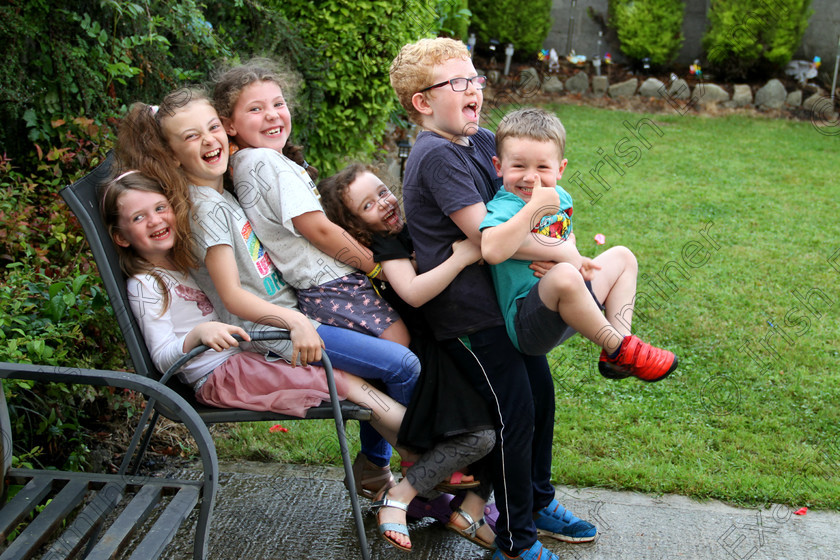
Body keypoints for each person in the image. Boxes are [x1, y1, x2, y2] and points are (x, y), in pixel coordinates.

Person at [116, 90, 420, 501]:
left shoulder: (218, 194)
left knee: (389, 352)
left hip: (290, 316)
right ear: (171, 156)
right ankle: (420, 468)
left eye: (212, 129)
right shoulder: (207, 211)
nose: (209, 141)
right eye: (191, 137)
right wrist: (294, 323)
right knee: (402, 364)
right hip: (274, 333)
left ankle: (380, 466)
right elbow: (234, 299)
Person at [390, 37, 597, 560]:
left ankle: (539, 502)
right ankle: (516, 539)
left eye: (475, 79)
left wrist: (554, 249)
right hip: (467, 318)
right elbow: (486, 240)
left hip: (499, 303)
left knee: (539, 401)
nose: (473, 90)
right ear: (422, 102)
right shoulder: (435, 154)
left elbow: (521, 201)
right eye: (457, 83)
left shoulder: (480, 141)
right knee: (515, 417)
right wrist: (565, 256)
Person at [101, 169, 408, 438]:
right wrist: (197, 336)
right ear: (121, 237)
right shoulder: (145, 284)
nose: (155, 220)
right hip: (222, 376)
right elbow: (161, 359)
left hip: (246, 357)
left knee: (355, 381)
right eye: (139, 218)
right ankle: (425, 452)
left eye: (159, 208)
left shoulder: (184, 262)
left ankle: (409, 460)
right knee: (348, 383)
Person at [320, 163, 498, 549]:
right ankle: (406, 495)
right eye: (368, 205)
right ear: (355, 227)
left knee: (506, 415)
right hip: (430, 354)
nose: (384, 204)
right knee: (480, 435)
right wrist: (463, 256)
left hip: (449, 345)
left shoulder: (409, 231)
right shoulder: (386, 248)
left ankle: (468, 507)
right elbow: (414, 291)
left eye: (383, 192)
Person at [211, 59, 410, 347]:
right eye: (255, 109)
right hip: (332, 284)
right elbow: (318, 229)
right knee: (399, 342)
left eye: (278, 104)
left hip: (320, 286)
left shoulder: (248, 162)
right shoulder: (265, 162)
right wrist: (377, 268)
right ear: (229, 124)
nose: (271, 115)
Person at [480, 107, 678, 380]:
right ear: (498, 166)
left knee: (623, 257)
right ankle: (620, 348)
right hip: (527, 324)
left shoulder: (561, 198)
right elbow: (490, 250)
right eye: (518, 166)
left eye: (542, 167)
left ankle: (619, 349)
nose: (530, 177)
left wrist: (566, 254)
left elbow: (564, 239)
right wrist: (553, 239)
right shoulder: (506, 205)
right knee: (564, 275)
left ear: (560, 169)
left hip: (569, 304)